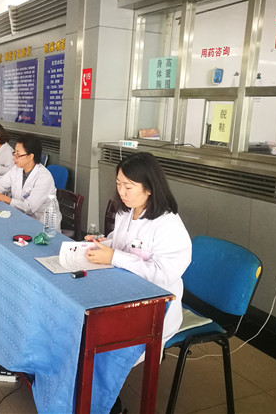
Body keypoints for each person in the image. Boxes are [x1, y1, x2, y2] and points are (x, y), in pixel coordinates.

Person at [84, 152, 192, 412]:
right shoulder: (127, 211)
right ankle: (86, 397)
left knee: (102, 348)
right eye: (118, 183)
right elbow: (122, 242)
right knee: (84, 332)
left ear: (149, 188)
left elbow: (163, 274)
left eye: (128, 186)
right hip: (123, 294)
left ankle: (104, 405)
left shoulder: (168, 225)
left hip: (155, 308)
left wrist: (114, 257)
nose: (121, 192)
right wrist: (104, 243)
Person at [0, 133, 61, 229]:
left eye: (18, 155)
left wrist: (3, 198)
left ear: (30, 157)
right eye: (14, 153)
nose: (14, 157)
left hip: (43, 225)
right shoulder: (17, 169)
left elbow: (29, 208)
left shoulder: (44, 177)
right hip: (22, 219)